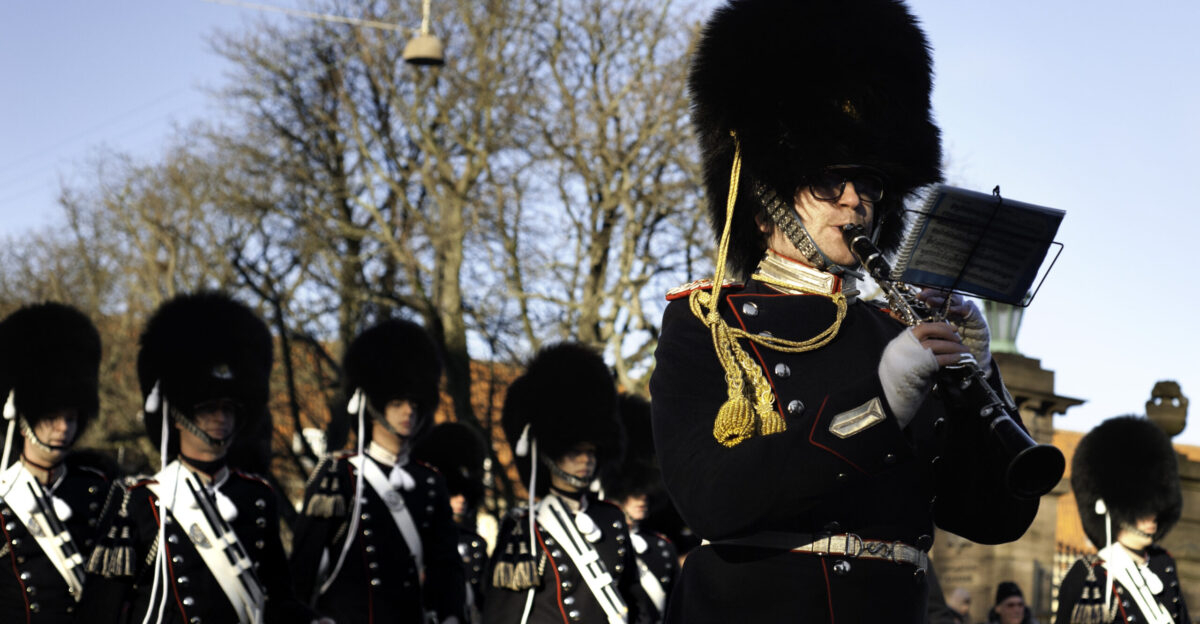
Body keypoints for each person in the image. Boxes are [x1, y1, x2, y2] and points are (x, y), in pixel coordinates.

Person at [649, 0, 1042, 621]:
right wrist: (881, 401)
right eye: (829, 182)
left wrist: (981, 379)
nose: (856, 201)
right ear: (766, 203)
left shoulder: (896, 330)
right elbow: (711, 499)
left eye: (869, 186)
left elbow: (993, 517)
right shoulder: (710, 322)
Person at [82, 292, 322, 623]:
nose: (220, 418)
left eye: (229, 409)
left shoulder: (257, 497)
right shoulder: (137, 502)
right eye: (207, 408)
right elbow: (101, 610)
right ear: (178, 414)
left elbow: (277, 599)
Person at [291, 319, 466, 624]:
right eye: (397, 403)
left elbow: (446, 568)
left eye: (414, 403)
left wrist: (451, 615)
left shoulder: (430, 481)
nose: (408, 412)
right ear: (373, 405)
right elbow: (302, 568)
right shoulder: (338, 475)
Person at [484, 343, 644, 623]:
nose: (586, 460)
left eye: (591, 451)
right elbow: (506, 612)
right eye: (574, 452)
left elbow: (633, 599)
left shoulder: (611, 518)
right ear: (550, 454)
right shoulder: (524, 526)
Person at [0, 302, 108, 623]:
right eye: (50, 417)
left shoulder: (100, 492)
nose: (63, 428)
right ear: (24, 420)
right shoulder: (5, 493)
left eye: (71, 418)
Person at [1054, 416, 1190, 623]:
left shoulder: (1164, 563)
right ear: (1113, 508)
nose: (1152, 516)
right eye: (1141, 509)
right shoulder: (1089, 574)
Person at [602, 394, 678, 623]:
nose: (642, 499)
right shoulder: (600, 541)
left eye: (646, 493)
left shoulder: (661, 547)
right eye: (635, 493)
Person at [412, 421, 492, 623]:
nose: (461, 500)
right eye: (454, 492)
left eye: (465, 493)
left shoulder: (475, 545)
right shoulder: (417, 537)